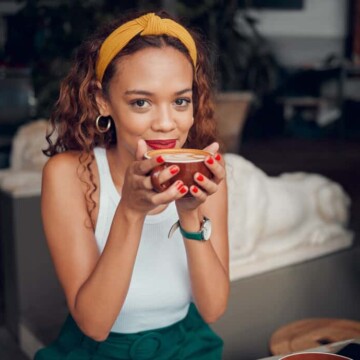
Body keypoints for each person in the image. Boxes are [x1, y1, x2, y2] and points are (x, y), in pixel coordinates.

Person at [35, 10, 229, 360]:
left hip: (187, 347)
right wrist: (131, 210)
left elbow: (213, 309)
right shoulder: (67, 175)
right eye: (141, 102)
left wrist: (189, 214)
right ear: (102, 100)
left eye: (180, 101)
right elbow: (94, 324)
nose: (166, 124)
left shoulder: (208, 173)